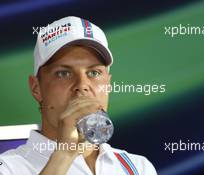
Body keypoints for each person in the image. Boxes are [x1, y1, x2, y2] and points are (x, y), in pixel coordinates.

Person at [0, 16, 157, 175]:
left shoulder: (138, 167)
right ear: (36, 88)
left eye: (94, 73)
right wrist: (64, 154)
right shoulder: (8, 167)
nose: (82, 85)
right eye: (63, 73)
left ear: (108, 85)